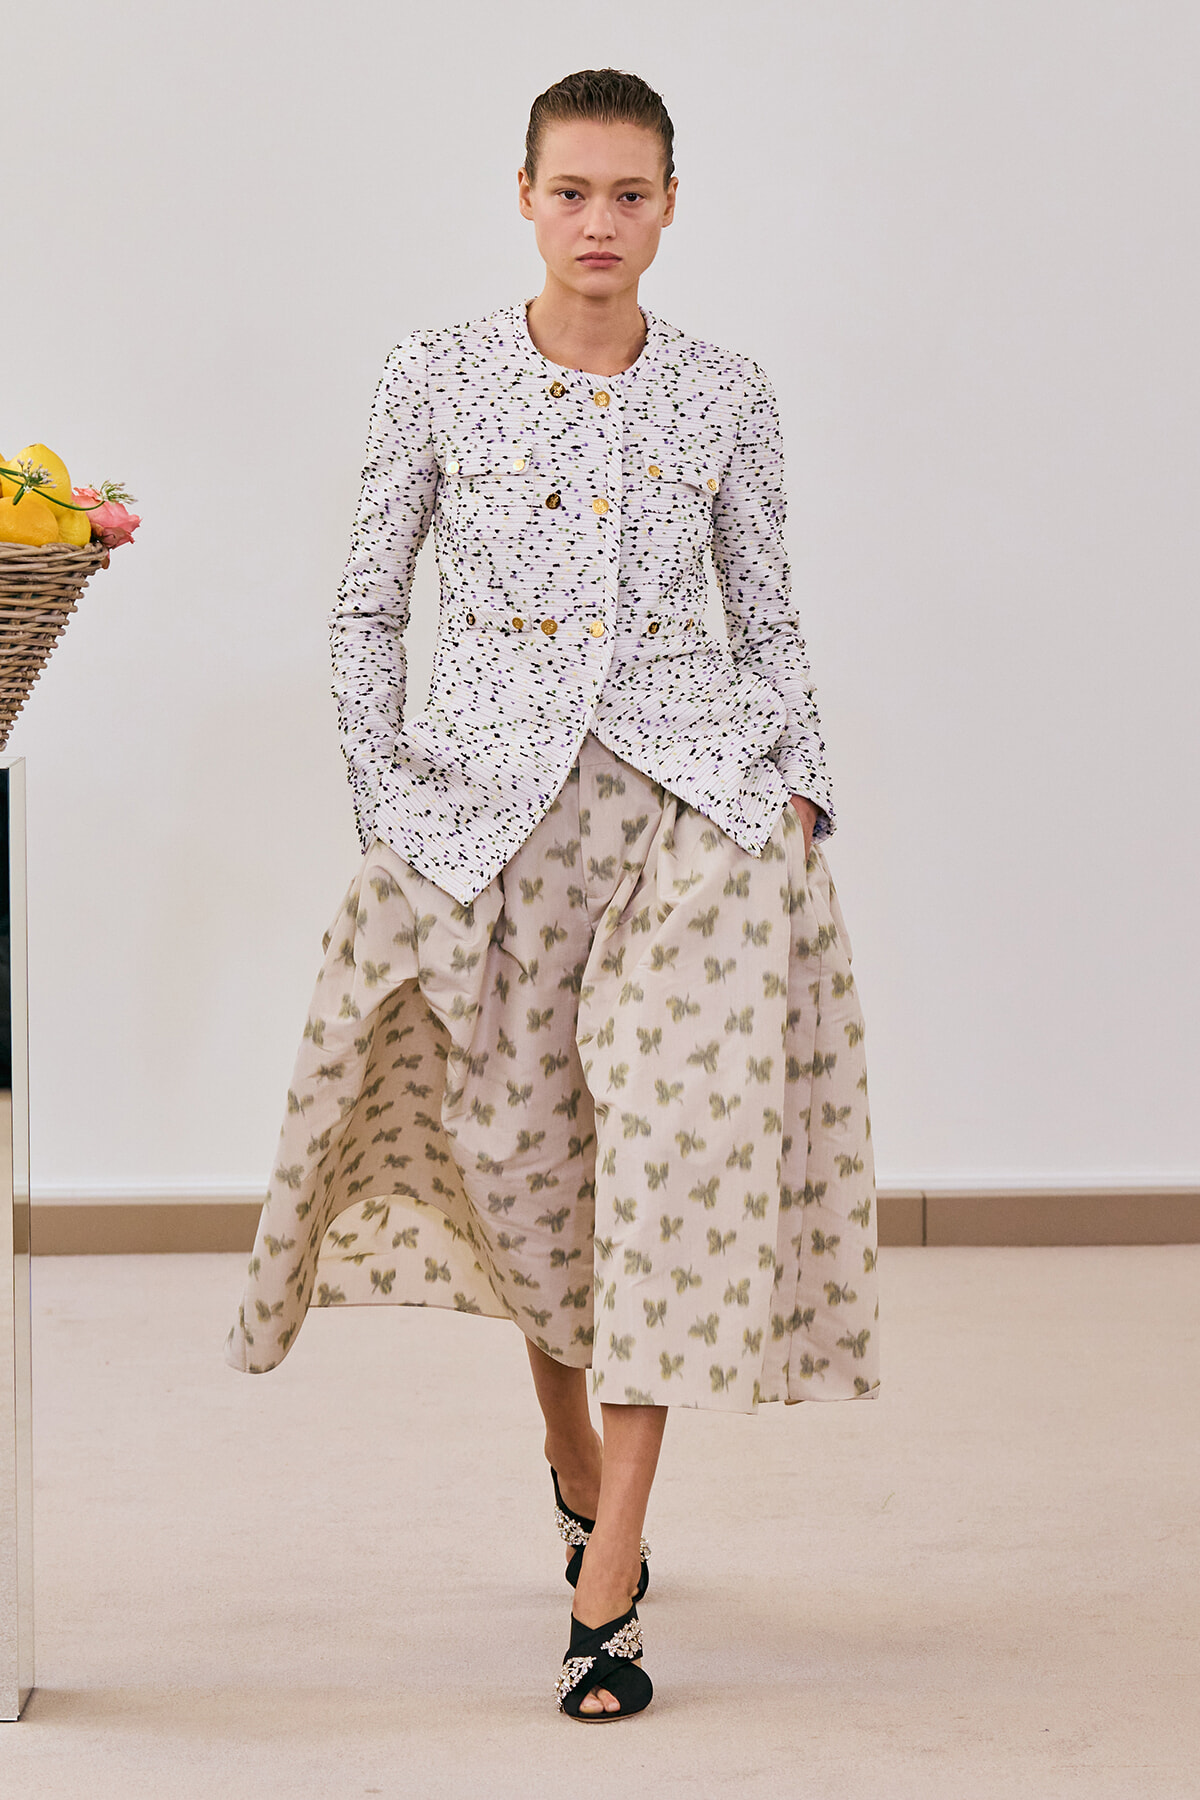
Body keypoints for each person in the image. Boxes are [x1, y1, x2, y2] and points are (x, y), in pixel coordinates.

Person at [226, 66, 879, 1722]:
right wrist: (392, 800)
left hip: (698, 819)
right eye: (573, 191)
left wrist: (800, 783)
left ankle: (611, 1582)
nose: (601, 222)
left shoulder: (727, 391)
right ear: (524, 195)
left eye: (632, 195)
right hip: (488, 829)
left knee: (669, 1175)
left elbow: (770, 614)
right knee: (524, 1165)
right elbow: (367, 610)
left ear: (672, 206)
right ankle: (565, 1450)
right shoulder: (437, 375)